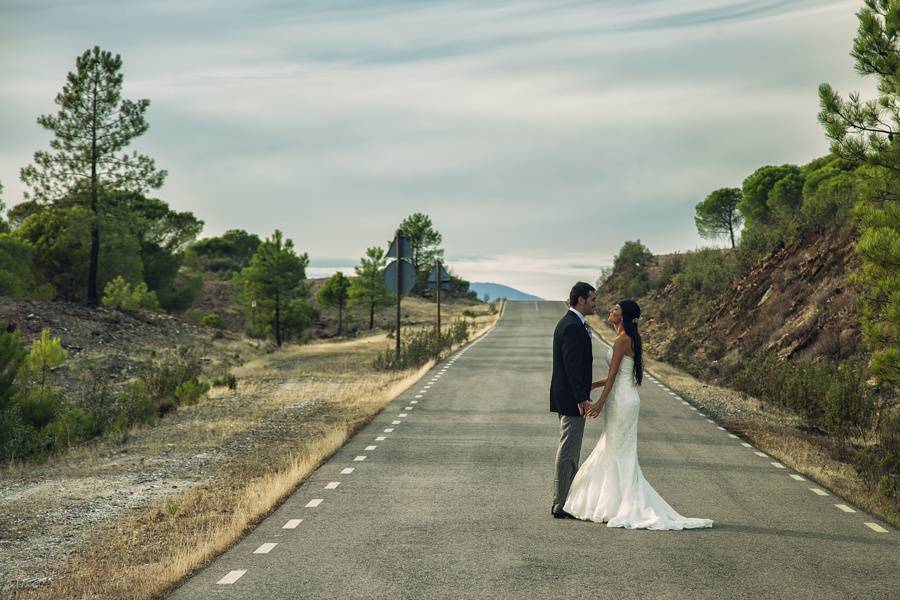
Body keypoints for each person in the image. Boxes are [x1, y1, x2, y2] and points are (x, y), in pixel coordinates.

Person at [563, 299, 713, 530]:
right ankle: (614, 501)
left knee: (617, 450)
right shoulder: (628, 338)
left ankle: (618, 503)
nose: (611, 311)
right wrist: (592, 386)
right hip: (625, 398)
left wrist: (600, 401)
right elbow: (618, 374)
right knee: (617, 449)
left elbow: (613, 376)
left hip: (620, 401)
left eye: (616, 309)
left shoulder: (623, 340)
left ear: (622, 317)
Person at [549, 281, 596, 519]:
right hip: (571, 399)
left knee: (572, 449)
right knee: (568, 450)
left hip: (570, 397)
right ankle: (560, 504)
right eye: (592, 299)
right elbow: (572, 366)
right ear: (581, 300)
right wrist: (581, 397)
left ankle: (567, 500)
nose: (595, 303)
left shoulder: (574, 323)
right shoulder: (571, 326)